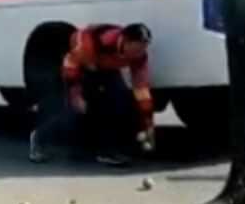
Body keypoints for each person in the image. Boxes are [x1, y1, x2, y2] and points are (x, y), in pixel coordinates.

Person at [29, 23, 155, 167]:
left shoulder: (139, 56)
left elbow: (142, 91)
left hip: (105, 66)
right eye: (137, 48)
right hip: (80, 65)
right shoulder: (93, 42)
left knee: (118, 101)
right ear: (125, 41)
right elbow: (70, 63)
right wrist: (75, 95)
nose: (140, 53)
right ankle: (39, 138)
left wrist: (148, 124)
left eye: (143, 49)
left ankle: (107, 152)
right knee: (72, 110)